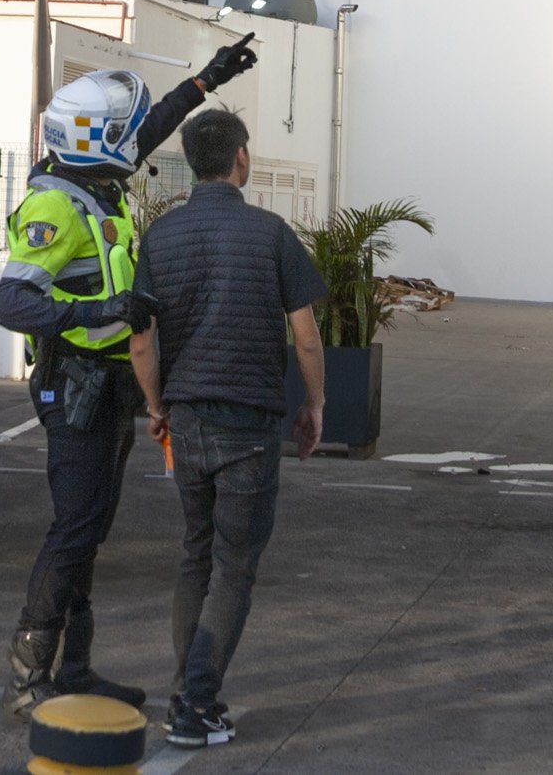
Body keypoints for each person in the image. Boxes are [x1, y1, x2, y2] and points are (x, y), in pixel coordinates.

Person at [0, 40, 258, 723]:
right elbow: (10, 301)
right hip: (72, 383)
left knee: (93, 524)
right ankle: (27, 677)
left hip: (109, 383)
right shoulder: (57, 204)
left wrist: (205, 79)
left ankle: (74, 666)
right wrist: (99, 308)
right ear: (93, 141)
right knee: (74, 525)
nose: (133, 140)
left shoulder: (97, 181)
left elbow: (154, 124)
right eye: (119, 133)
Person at [129, 110, 327, 750]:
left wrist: (156, 405)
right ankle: (195, 707)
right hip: (249, 421)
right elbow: (305, 336)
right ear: (240, 157)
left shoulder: (160, 237)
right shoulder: (270, 233)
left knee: (195, 556)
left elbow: (140, 343)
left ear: (190, 161)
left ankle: (187, 696)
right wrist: (315, 405)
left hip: (186, 419)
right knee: (234, 568)